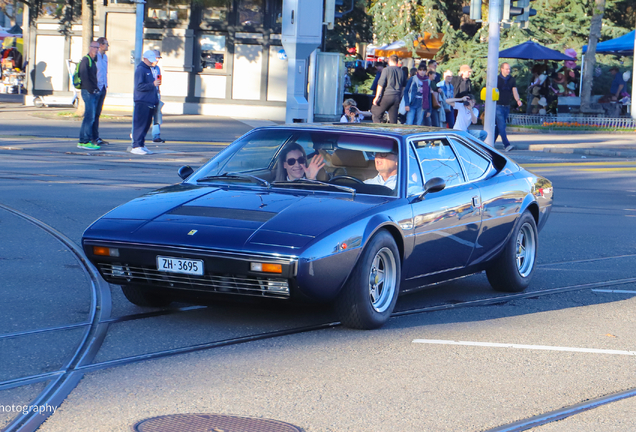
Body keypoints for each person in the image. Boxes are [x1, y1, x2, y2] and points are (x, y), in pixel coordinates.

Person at [131, 50, 160, 155]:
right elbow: (139, 86)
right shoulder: (141, 69)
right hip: (142, 100)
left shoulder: (150, 69)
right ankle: (136, 145)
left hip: (150, 101)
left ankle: (141, 144)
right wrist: (152, 84)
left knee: (146, 124)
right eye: (150, 60)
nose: (152, 62)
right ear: (145, 59)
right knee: (140, 124)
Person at [77, 41, 101, 150]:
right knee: (89, 117)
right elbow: (84, 76)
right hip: (87, 92)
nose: (96, 50)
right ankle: (85, 140)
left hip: (91, 91)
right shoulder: (85, 60)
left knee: (89, 116)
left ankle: (83, 140)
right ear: (90, 47)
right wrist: (91, 89)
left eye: (97, 48)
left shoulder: (92, 61)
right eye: (94, 47)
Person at [494, 63, 522, 152]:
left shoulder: (511, 79)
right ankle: (506, 144)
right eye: (506, 69)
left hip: (506, 105)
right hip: (498, 105)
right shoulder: (496, 79)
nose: (508, 71)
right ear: (501, 69)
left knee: (499, 127)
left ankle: (489, 143)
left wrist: (518, 100)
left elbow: (514, 90)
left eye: (509, 69)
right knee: (502, 125)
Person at [371, 55, 406, 124]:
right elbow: (404, 87)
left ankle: (378, 130)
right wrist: (400, 96)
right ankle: (392, 132)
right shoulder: (401, 71)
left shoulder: (386, 70)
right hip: (397, 96)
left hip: (387, 95)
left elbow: (381, 84)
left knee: (376, 113)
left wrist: (376, 97)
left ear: (389, 61)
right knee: (393, 119)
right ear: (397, 61)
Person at [93, 37, 109, 146]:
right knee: (93, 114)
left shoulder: (105, 57)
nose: (108, 46)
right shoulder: (95, 57)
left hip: (103, 86)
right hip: (96, 87)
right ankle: (91, 137)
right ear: (101, 45)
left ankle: (96, 136)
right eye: (106, 44)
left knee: (98, 113)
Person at [151, 49, 166, 143]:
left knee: (157, 115)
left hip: (155, 93)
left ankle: (156, 135)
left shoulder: (157, 68)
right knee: (144, 116)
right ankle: (136, 134)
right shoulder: (146, 68)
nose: (157, 60)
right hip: (147, 94)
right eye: (156, 58)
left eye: (158, 58)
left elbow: (159, 80)